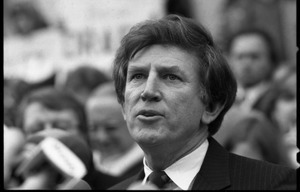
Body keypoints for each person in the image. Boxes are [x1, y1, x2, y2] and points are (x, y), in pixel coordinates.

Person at [108, 14, 296, 190]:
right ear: (123, 105)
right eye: (137, 76)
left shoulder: (273, 184)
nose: (148, 91)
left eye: (171, 77)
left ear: (211, 106)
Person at [14, 86, 119, 189]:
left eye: (61, 127)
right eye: (36, 129)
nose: (48, 135)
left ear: (84, 134)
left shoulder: (121, 187)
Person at [85, 82, 144, 181]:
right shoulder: (87, 165)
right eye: (93, 128)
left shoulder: (146, 171)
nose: (101, 137)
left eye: (110, 128)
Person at [225, 28, 279, 112]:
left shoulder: (282, 99)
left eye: (254, 56)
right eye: (240, 57)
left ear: (271, 59)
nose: (246, 64)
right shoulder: (219, 101)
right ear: (229, 60)